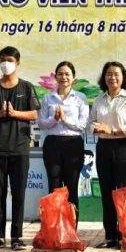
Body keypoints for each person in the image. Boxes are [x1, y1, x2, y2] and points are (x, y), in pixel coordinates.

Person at [0, 47, 40, 251]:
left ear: (18, 63)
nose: (6, 64)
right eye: (2, 60)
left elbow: (34, 114)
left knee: (18, 193)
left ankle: (16, 237)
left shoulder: (27, 87)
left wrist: (15, 113)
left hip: (20, 149)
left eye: (10, 60)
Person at [89, 61, 126, 249]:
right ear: (104, 78)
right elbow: (90, 122)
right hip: (103, 147)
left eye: (116, 74)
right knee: (107, 192)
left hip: (123, 148)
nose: (112, 77)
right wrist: (95, 128)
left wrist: (112, 130)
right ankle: (110, 236)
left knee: (125, 193)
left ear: (123, 77)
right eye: (109, 74)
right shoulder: (98, 99)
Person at [38, 61, 89, 223]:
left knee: (71, 187)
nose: (64, 77)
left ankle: (71, 228)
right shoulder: (48, 98)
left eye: (67, 74)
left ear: (73, 77)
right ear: (55, 77)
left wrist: (65, 119)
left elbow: (83, 125)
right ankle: (54, 228)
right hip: (53, 144)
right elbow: (42, 124)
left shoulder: (80, 98)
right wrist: (54, 119)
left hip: (73, 144)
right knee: (54, 187)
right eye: (60, 74)